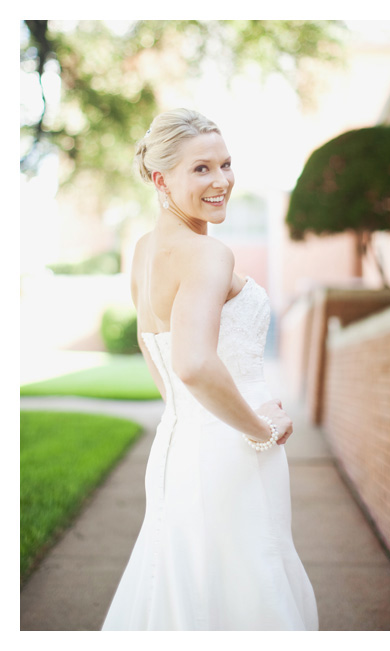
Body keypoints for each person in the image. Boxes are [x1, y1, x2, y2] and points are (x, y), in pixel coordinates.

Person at [102, 109, 318, 630]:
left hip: (179, 445)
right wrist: (261, 429)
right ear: (161, 179)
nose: (222, 181)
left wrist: (181, 413)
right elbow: (193, 362)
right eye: (201, 169)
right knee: (244, 590)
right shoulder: (207, 254)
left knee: (187, 583)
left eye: (225, 164)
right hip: (233, 449)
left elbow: (149, 344)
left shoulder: (145, 251)